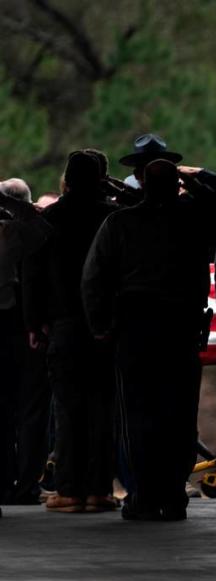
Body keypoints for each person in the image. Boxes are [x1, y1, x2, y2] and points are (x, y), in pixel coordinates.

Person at [83, 159, 216, 521]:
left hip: (134, 327)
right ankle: (172, 495)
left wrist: (100, 325)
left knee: (137, 414)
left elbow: (94, 278)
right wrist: (198, 178)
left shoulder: (120, 222)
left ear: (141, 186)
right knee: (180, 414)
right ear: (176, 187)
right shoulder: (196, 219)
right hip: (181, 328)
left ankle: (142, 494)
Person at [22, 152, 119, 513]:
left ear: (66, 178)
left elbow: (32, 276)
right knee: (102, 408)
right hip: (105, 328)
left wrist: (34, 323)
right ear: (102, 180)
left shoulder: (50, 220)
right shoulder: (112, 217)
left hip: (62, 325)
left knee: (67, 409)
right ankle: (99, 490)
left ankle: (69, 489)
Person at [0, 185, 51, 517]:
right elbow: (44, 232)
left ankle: (5, 482)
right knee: (32, 410)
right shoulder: (19, 232)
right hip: (24, 329)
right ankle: (26, 483)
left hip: (13, 324)